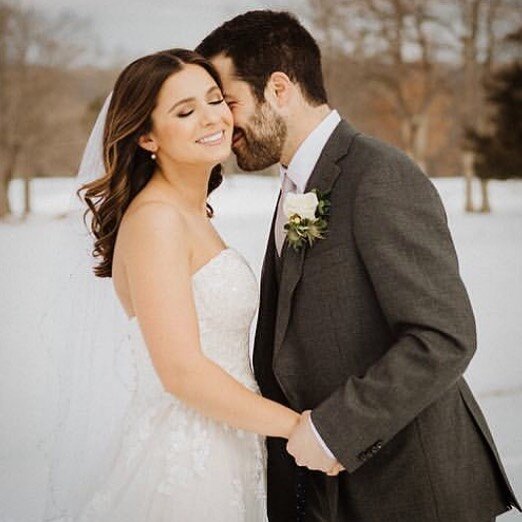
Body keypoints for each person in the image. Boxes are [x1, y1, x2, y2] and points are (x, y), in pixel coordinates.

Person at [197, 10, 521, 522]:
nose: (221, 122)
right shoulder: (297, 184)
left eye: (228, 102)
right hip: (330, 494)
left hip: (410, 491)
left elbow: (444, 336)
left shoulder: (379, 175)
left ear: (279, 89)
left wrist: (334, 431)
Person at [67, 48, 303, 521]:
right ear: (147, 137)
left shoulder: (190, 212)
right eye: (185, 111)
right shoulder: (156, 219)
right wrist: (299, 429)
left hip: (232, 440)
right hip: (190, 460)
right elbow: (180, 371)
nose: (212, 118)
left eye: (215, 99)